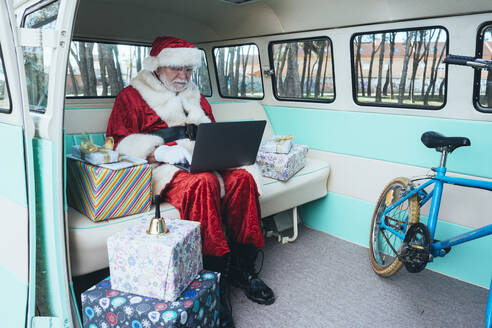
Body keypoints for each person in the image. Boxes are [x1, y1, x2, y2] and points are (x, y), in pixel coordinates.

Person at [106, 36, 275, 327]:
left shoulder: (195, 95)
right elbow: (116, 143)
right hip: (161, 167)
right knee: (203, 184)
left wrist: (222, 150)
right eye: (176, 69)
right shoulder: (131, 97)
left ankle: (244, 268)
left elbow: (212, 131)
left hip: (202, 158)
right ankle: (213, 282)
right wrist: (155, 150)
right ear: (158, 66)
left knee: (243, 179)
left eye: (188, 70)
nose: (183, 76)